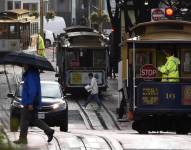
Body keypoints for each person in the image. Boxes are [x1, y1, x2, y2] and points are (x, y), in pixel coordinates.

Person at [13, 65, 54, 144]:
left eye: (24, 64)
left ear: (28, 65)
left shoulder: (31, 75)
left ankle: (22, 139)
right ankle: (49, 131)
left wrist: (30, 103)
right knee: (34, 119)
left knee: (24, 120)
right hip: (33, 101)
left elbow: (32, 90)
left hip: (29, 102)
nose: (23, 66)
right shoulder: (33, 73)